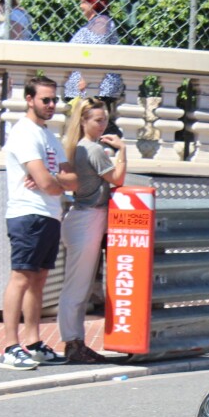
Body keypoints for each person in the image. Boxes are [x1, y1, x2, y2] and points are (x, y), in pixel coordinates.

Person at [0, 77, 77, 371]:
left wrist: (53, 180)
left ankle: (33, 344)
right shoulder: (24, 133)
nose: (51, 105)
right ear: (29, 100)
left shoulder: (49, 137)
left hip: (49, 214)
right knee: (21, 277)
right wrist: (54, 180)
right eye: (45, 100)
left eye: (54, 100)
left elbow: (72, 179)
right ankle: (10, 347)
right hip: (27, 214)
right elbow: (46, 181)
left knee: (39, 279)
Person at [58, 97, 126, 364]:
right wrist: (122, 151)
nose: (103, 125)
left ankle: (75, 342)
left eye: (105, 120)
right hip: (87, 218)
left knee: (78, 286)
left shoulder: (78, 147)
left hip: (82, 218)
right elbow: (117, 178)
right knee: (77, 287)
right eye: (98, 120)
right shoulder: (93, 150)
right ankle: (73, 343)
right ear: (84, 121)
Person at [65, 0, 123, 114]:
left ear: (94, 3)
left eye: (84, 2)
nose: (81, 6)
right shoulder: (94, 23)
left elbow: (96, 51)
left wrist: (87, 77)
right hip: (88, 86)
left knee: (95, 121)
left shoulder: (101, 22)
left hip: (96, 86)